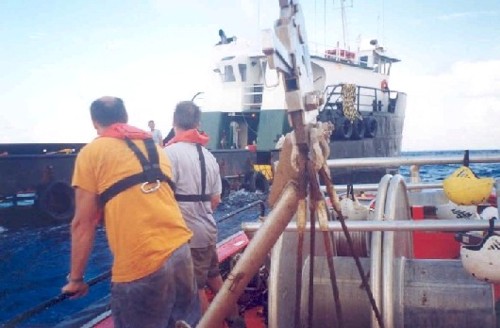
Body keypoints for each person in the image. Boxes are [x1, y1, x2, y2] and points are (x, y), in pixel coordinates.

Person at [61, 96, 200, 328]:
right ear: (125, 118)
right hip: (180, 252)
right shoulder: (155, 149)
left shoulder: (91, 153)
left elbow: (82, 224)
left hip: (141, 263)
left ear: (95, 123)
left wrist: (76, 279)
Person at [164, 101, 244, 327]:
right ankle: (237, 321)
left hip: (187, 237)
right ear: (198, 124)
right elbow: (216, 199)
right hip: (209, 230)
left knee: (195, 291)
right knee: (216, 279)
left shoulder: (169, 154)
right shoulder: (208, 156)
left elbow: (161, 198)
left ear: (174, 122)